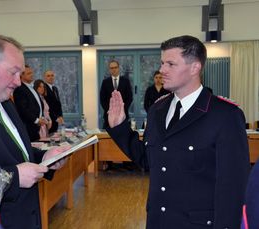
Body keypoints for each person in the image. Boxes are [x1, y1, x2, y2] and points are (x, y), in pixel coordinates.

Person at [106, 35, 250, 228]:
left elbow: (233, 187)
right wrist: (119, 128)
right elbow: (148, 161)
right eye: (162, 63)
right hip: (158, 221)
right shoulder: (158, 109)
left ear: (195, 68)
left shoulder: (225, 115)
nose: (162, 70)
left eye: (170, 64)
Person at [0, 35, 69, 229]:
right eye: (14, 72)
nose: (19, 82)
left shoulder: (4, 102)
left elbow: (17, 154)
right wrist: (14, 178)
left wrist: (45, 158)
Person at [13, 65, 47, 141]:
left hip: (36, 126)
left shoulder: (32, 87)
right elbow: (22, 109)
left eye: (32, 73)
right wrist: (36, 120)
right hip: (28, 127)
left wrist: (41, 118)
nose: (32, 75)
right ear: (21, 75)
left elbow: (38, 105)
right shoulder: (19, 89)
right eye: (29, 73)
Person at [100, 60, 133, 129]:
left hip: (123, 115)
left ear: (118, 68)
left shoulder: (125, 81)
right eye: (111, 68)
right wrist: (110, 110)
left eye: (115, 67)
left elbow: (130, 97)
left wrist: (122, 109)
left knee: (122, 137)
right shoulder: (105, 82)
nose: (114, 69)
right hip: (109, 116)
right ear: (109, 70)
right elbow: (102, 99)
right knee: (108, 138)